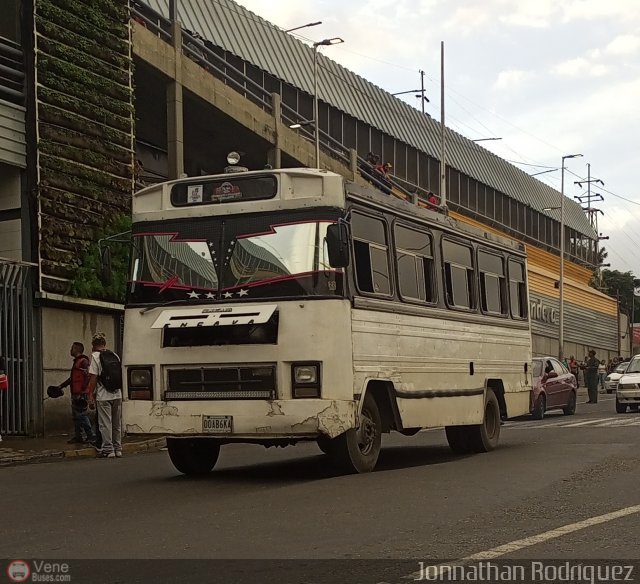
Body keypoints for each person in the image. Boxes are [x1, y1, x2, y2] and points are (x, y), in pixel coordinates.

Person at [87, 332, 122, 458]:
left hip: (103, 396)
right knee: (116, 424)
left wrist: (90, 395)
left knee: (105, 423)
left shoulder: (95, 357)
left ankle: (109, 449)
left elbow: (93, 378)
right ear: (104, 344)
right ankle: (118, 448)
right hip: (117, 394)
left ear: (93, 345)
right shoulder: (115, 355)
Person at [57, 342, 96, 444]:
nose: (70, 350)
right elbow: (73, 378)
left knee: (81, 415)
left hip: (81, 393)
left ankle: (91, 435)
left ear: (77, 350)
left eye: (72, 348)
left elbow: (88, 375)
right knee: (76, 416)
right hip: (76, 392)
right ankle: (78, 436)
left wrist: (83, 389)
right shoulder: (77, 362)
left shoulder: (83, 361)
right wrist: (61, 386)